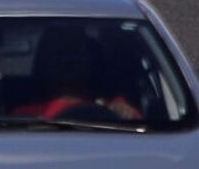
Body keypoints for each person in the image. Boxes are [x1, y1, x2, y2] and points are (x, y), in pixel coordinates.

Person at [12, 26, 143, 125]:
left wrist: (123, 114)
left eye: (75, 52)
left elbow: (141, 136)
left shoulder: (116, 110)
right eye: (59, 53)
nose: (67, 61)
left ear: (91, 59)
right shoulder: (24, 116)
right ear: (44, 61)